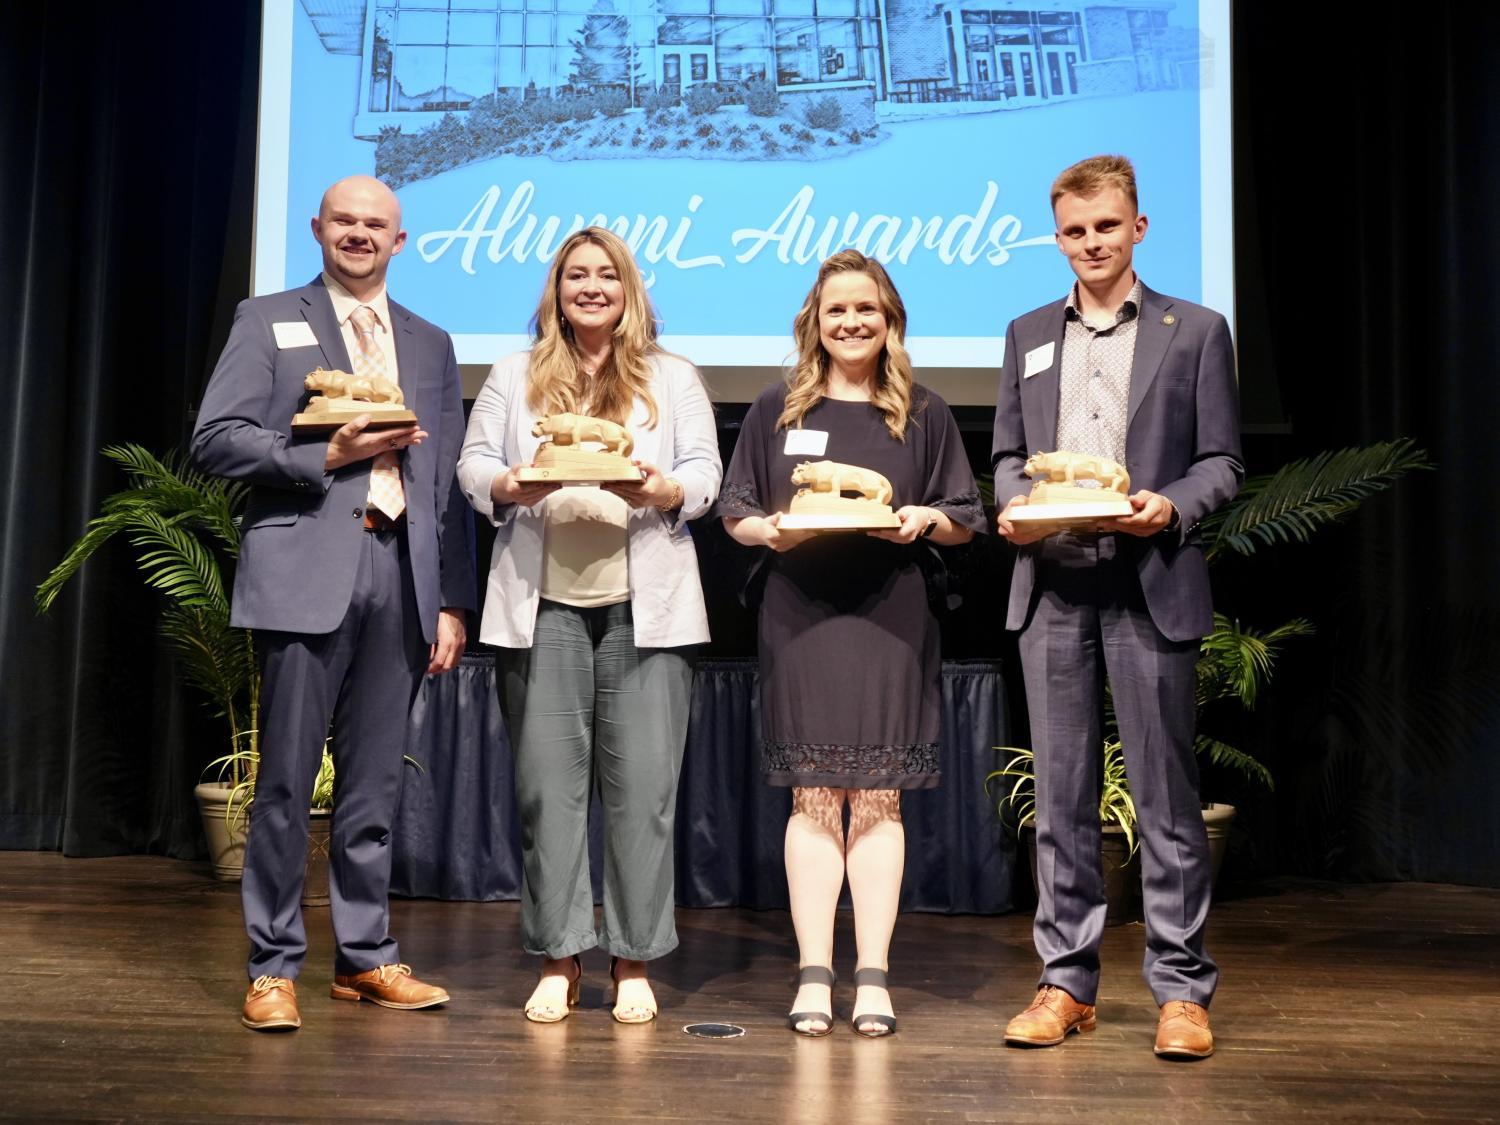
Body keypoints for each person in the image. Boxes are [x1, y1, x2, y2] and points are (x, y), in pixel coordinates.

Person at [191, 175, 476, 1031]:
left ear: (401, 239)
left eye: (375, 224)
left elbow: (449, 486)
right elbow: (216, 438)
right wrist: (326, 452)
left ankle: (365, 957)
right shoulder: (267, 317)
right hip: (307, 568)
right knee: (283, 783)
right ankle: (273, 965)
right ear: (318, 228)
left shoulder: (430, 341)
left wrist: (452, 600)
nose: (358, 233)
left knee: (374, 787)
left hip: (403, 576)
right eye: (344, 220)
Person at [991, 155, 1243, 1059]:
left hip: (1148, 579)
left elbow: (1222, 461)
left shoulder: (1196, 330)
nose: (1090, 243)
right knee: (1060, 803)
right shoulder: (1025, 332)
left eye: (1105, 226)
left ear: (1137, 228)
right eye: (1073, 230)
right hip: (1053, 581)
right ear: (1056, 236)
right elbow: (1009, 457)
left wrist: (1169, 505)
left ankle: (1181, 990)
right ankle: (1066, 983)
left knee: (1165, 797)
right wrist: (1014, 505)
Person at [457, 226, 721, 1024]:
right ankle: (560, 956)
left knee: (643, 795)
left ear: (629, 288)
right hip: (540, 607)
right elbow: (472, 465)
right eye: (577, 275)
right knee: (548, 794)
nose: (592, 287)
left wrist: (666, 492)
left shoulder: (673, 377)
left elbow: (706, 472)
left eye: (607, 275)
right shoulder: (512, 373)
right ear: (557, 290)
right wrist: (507, 482)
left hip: (650, 608)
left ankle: (633, 958)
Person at [718, 250, 983, 1037]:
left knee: (875, 796)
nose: (851, 322)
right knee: (810, 794)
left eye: (866, 308)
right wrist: (767, 529)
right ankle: (811, 974)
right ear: (815, 320)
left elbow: (964, 514)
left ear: (889, 317)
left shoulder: (924, 411)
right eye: (837, 310)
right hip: (801, 616)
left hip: (890, 618)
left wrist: (921, 520)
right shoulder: (777, 407)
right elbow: (737, 507)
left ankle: (872, 975)